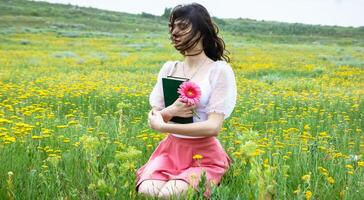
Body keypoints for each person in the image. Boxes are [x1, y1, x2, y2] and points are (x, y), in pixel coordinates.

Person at [136, 3, 237, 199]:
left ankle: (212, 175)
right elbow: (156, 116)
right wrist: (171, 111)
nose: (174, 32)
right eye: (172, 27)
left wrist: (165, 127)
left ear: (201, 30)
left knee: (169, 195)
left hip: (204, 155)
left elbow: (213, 127)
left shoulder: (219, 70)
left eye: (182, 27)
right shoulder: (169, 68)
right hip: (170, 151)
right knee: (148, 192)